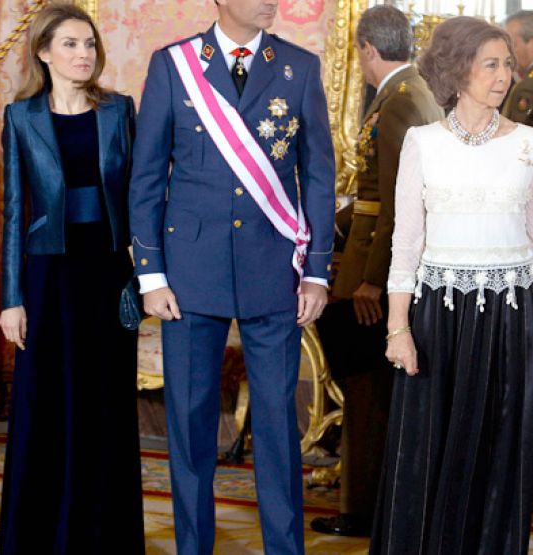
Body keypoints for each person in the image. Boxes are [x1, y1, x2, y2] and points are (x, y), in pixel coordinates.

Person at [128, 0, 336, 552]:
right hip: (190, 273)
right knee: (191, 427)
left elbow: (317, 175)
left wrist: (316, 273)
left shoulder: (299, 67)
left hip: (274, 270)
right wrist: (151, 275)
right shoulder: (173, 66)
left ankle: (283, 548)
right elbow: (147, 175)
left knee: (276, 427)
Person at [370, 16, 533, 554]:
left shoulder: (531, 143)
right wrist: (397, 329)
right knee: (429, 448)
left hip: (510, 318)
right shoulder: (422, 143)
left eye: (508, 64)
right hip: (437, 317)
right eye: (491, 65)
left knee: (498, 449)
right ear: (457, 71)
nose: (505, 76)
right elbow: (405, 243)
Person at [0, 4, 144, 553]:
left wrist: (144, 275)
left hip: (108, 275)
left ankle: (102, 538)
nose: (84, 55)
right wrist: (12, 298)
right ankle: (39, 538)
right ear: (43, 51)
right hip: (47, 277)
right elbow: (15, 212)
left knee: (105, 405)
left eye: (89, 44)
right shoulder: (21, 117)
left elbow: (139, 199)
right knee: (44, 404)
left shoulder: (119, 111)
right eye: (70, 45)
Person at [311, 5, 443, 538]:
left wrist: (374, 277)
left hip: (374, 272)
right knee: (373, 394)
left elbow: (397, 202)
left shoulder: (398, 102)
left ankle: (362, 509)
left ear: (367, 48)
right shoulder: (410, 93)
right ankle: (374, 501)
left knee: (368, 396)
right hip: (375, 256)